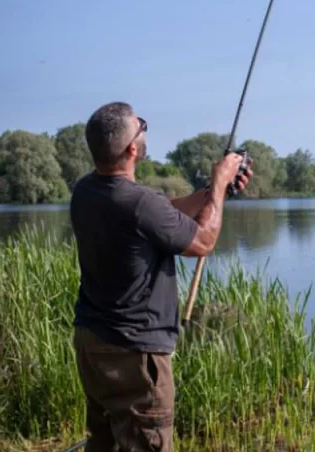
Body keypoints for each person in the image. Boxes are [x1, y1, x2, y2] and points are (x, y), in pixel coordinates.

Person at [70, 101, 252, 452]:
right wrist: (217, 186)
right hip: (136, 354)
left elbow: (163, 213)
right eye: (141, 126)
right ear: (132, 149)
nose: (144, 129)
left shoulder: (85, 191)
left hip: (93, 343)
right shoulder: (139, 203)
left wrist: (216, 193)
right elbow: (202, 241)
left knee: (103, 443)